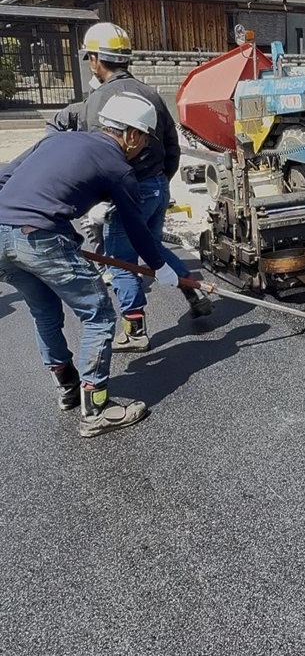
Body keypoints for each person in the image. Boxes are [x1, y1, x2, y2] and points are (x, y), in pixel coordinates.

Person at [0, 93, 181, 437]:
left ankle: (67, 387)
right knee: (98, 314)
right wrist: (160, 267)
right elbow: (135, 228)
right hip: (40, 238)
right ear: (131, 134)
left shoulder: (56, 140)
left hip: (2, 235)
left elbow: (4, 177)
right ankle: (95, 409)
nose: (144, 146)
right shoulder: (118, 167)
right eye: (144, 138)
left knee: (44, 313)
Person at [49, 21, 211, 350]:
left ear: (96, 59)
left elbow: (96, 157)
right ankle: (191, 288)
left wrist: (95, 199)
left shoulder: (98, 101)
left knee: (121, 258)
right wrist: (162, 181)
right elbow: (172, 144)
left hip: (127, 191)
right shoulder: (150, 93)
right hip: (157, 185)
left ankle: (135, 330)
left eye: (90, 57)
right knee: (151, 246)